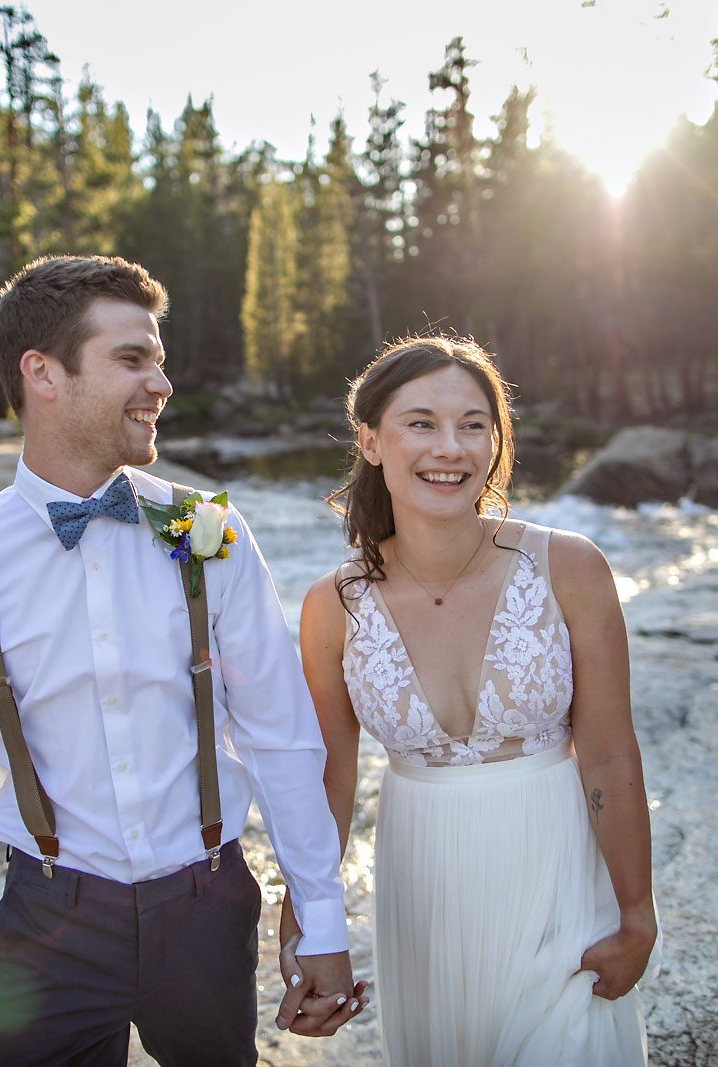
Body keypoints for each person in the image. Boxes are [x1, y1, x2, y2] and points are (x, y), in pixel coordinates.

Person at [0, 254, 364, 1067]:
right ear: (42, 372)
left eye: (160, 358)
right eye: (132, 358)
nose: (162, 384)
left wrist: (321, 915)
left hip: (207, 903)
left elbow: (280, 735)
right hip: (49, 922)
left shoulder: (210, 530)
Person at [281, 335, 660, 1065]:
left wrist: (637, 915)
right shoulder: (333, 605)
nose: (449, 447)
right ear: (370, 440)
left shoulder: (570, 567)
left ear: (496, 440)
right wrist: (303, 923)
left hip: (557, 882)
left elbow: (610, 753)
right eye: (420, 422)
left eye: (473, 424)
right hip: (423, 893)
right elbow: (328, 781)